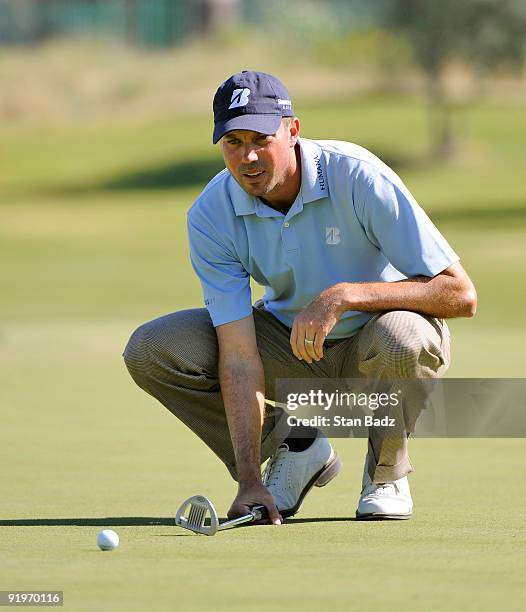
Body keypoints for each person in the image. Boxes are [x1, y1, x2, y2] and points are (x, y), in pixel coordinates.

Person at [123, 71, 477, 526]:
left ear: (292, 130)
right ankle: (296, 443)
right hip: (291, 350)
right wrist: (247, 478)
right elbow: (238, 355)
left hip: (375, 346)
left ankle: (387, 472)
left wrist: (345, 295)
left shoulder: (356, 175)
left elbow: (460, 294)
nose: (247, 157)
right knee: (153, 349)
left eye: (260, 139)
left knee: (401, 336)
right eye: (232, 142)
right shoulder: (211, 214)